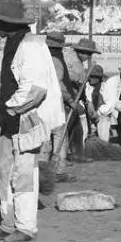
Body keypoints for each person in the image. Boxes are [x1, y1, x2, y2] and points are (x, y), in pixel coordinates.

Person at [0, 0, 64, 242]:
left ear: (7, 23)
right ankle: (7, 223)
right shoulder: (14, 43)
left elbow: (35, 89)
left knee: (24, 174)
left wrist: (11, 108)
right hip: (11, 120)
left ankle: (26, 227)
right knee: (5, 172)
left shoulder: (31, 47)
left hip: (27, 119)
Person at [44, 32, 75, 182]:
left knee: (45, 139)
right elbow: (59, 84)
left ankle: (42, 172)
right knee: (60, 138)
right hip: (54, 105)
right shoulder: (55, 60)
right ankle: (58, 172)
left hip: (42, 105)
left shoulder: (41, 58)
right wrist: (70, 99)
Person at [67, 39, 100, 159]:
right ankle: (70, 154)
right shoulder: (73, 61)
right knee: (68, 128)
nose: (88, 56)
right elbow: (69, 78)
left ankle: (76, 153)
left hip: (73, 97)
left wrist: (86, 101)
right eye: (88, 54)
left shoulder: (77, 62)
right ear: (82, 52)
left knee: (76, 128)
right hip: (66, 98)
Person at [82, 64, 105, 138]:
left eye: (94, 77)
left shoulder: (104, 87)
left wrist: (97, 114)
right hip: (87, 114)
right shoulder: (85, 86)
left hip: (100, 115)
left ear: (99, 78)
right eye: (90, 76)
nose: (91, 78)